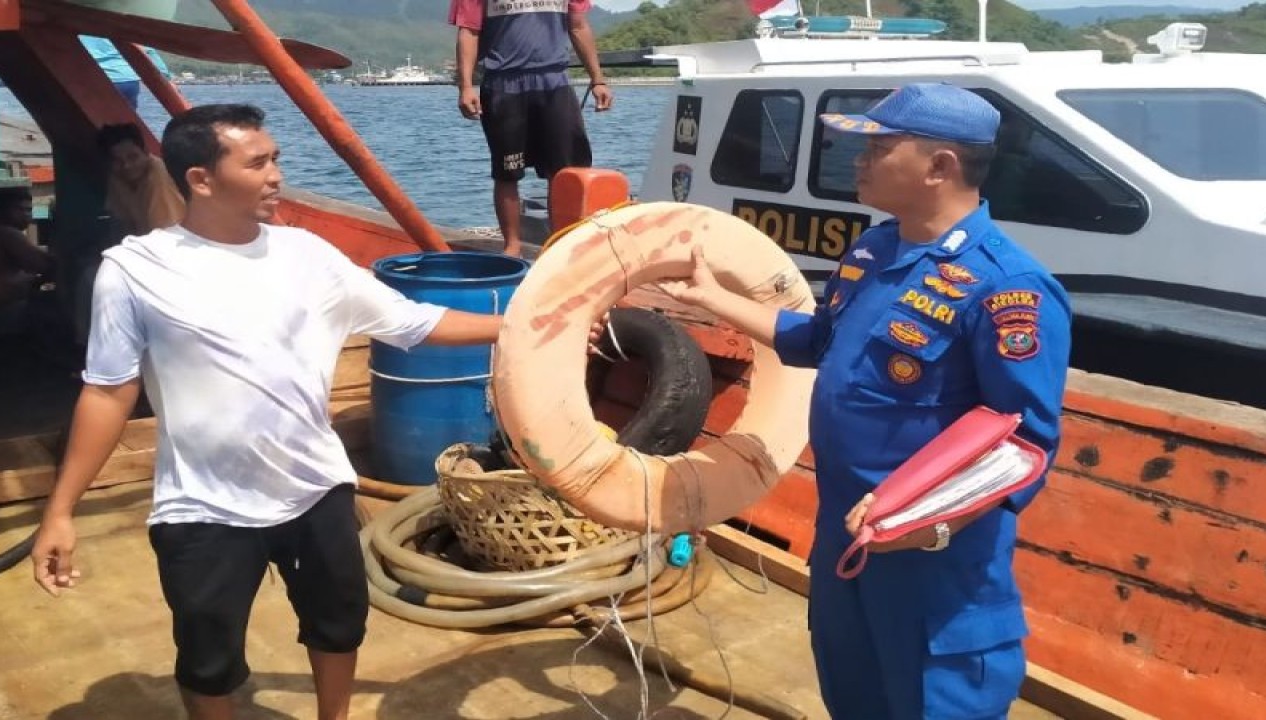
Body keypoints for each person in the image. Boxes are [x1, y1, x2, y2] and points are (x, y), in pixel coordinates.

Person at [30, 103, 505, 720]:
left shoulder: (308, 255)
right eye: (257, 163)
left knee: (338, 625)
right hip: (202, 504)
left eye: (276, 158)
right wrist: (60, 512)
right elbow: (106, 391)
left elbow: (415, 322)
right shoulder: (134, 270)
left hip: (314, 488)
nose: (276, 175)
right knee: (208, 658)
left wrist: (523, 324)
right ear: (201, 179)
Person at [660, 83, 1071, 719]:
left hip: (932, 561)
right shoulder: (874, 250)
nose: (859, 159)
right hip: (844, 537)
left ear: (940, 167)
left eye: (880, 147)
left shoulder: (1008, 286)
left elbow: (1022, 442)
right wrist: (712, 297)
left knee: (933, 702)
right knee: (851, 694)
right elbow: (818, 340)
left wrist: (927, 524)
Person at [449, 0, 613, 257]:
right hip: (504, 84)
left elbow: (578, 26)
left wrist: (598, 79)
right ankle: (512, 247)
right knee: (507, 171)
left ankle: (562, 248)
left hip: (555, 82)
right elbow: (469, 31)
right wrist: (466, 86)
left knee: (565, 171)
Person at [97, 123, 186, 237]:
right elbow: (122, 222)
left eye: (133, 157)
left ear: (145, 152)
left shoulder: (158, 175)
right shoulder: (116, 177)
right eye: (117, 161)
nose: (126, 166)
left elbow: (165, 233)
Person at [0, 186, 53, 327]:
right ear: (1, 210)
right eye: (20, 210)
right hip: (1, 312)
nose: (26, 215)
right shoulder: (6, 233)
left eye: (29, 210)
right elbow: (45, 265)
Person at [80, 36, 172, 110]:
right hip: (127, 79)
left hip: (96, 79)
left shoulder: (80, 25)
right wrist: (166, 77)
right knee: (128, 118)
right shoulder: (119, 25)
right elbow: (147, 51)